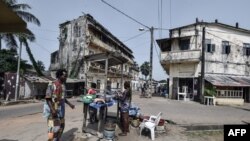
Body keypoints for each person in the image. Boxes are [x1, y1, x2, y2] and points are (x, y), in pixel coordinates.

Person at [45, 69, 75, 141]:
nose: (66, 78)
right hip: (53, 110)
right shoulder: (52, 84)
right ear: (59, 75)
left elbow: (63, 98)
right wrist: (52, 110)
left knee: (61, 125)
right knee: (52, 128)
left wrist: (69, 104)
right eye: (64, 76)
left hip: (61, 110)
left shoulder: (63, 86)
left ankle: (57, 139)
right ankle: (51, 139)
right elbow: (48, 98)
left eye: (66, 76)